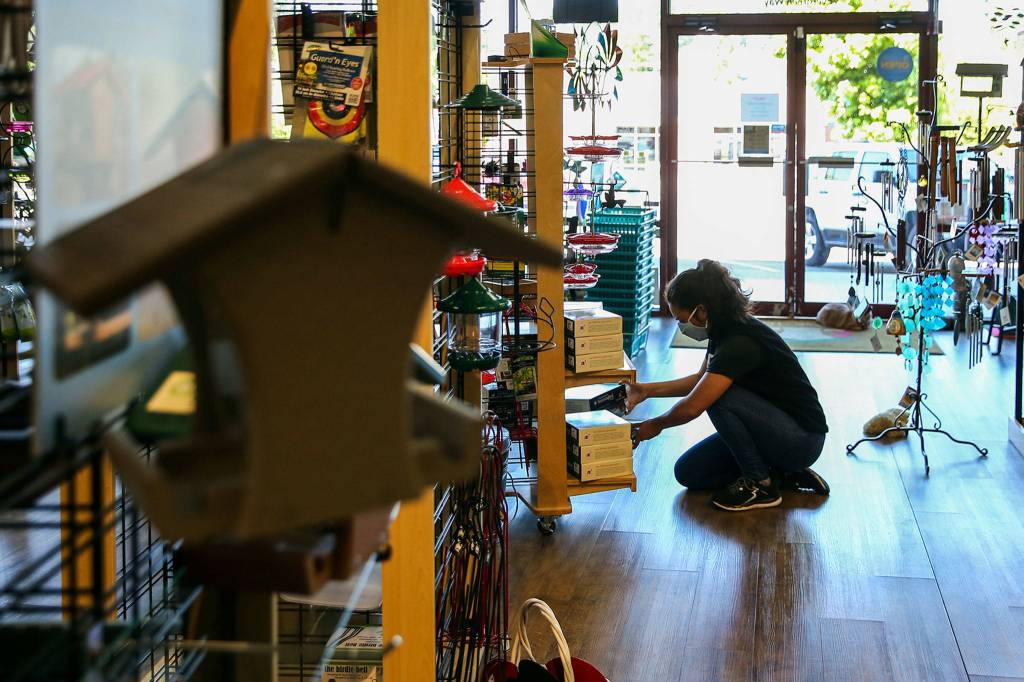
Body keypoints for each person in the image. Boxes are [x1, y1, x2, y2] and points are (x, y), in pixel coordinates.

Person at [626, 259, 830, 511]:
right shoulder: (722, 329)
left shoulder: (740, 342)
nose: (681, 326)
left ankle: (761, 484)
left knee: (720, 397)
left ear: (701, 310)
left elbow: (694, 406)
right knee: (689, 473)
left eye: (681, 318)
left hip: (800, 439)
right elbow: (700, 380)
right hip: (770, 428)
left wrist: (656, 424)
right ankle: (782, 473)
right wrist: (646, 390)